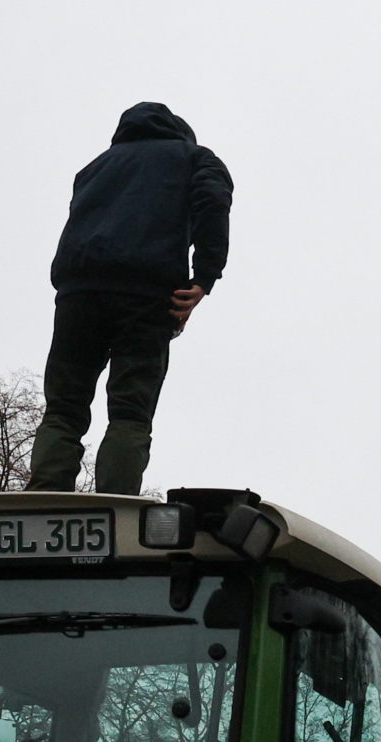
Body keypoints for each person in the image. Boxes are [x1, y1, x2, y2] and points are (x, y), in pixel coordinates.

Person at [28, 102, 233, 496]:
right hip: (147, 292)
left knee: (64, 406)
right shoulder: (195, 158)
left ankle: (45, 494)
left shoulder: (94, 167)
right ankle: (115, 502)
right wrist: (204, 277)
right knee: (130, 409)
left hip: (78, 294)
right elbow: (213, 202)